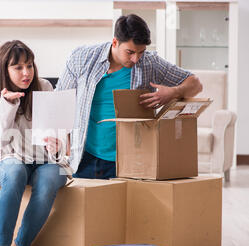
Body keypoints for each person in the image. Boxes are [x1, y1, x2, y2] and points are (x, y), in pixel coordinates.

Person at [57, 14, 203, 179]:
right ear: (115, 42)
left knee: (125, 205)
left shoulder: (149, 63)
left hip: (130, 160)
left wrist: (173, 92)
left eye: (141, 52)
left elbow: (196, 84)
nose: (136, 59)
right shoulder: (82, 58)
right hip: (84, 157)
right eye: (130, 52)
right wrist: (64, 144)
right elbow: (59, 101)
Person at [0, 40, 69, 246]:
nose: (26, 73)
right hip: (10, 158)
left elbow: (58, 135)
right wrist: (7, 105)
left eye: (29, 65)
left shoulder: (44, 87)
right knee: (16, 172)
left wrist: (57, 145)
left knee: (50, 179)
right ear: (4, 69)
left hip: (44, 160)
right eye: (18, 67)